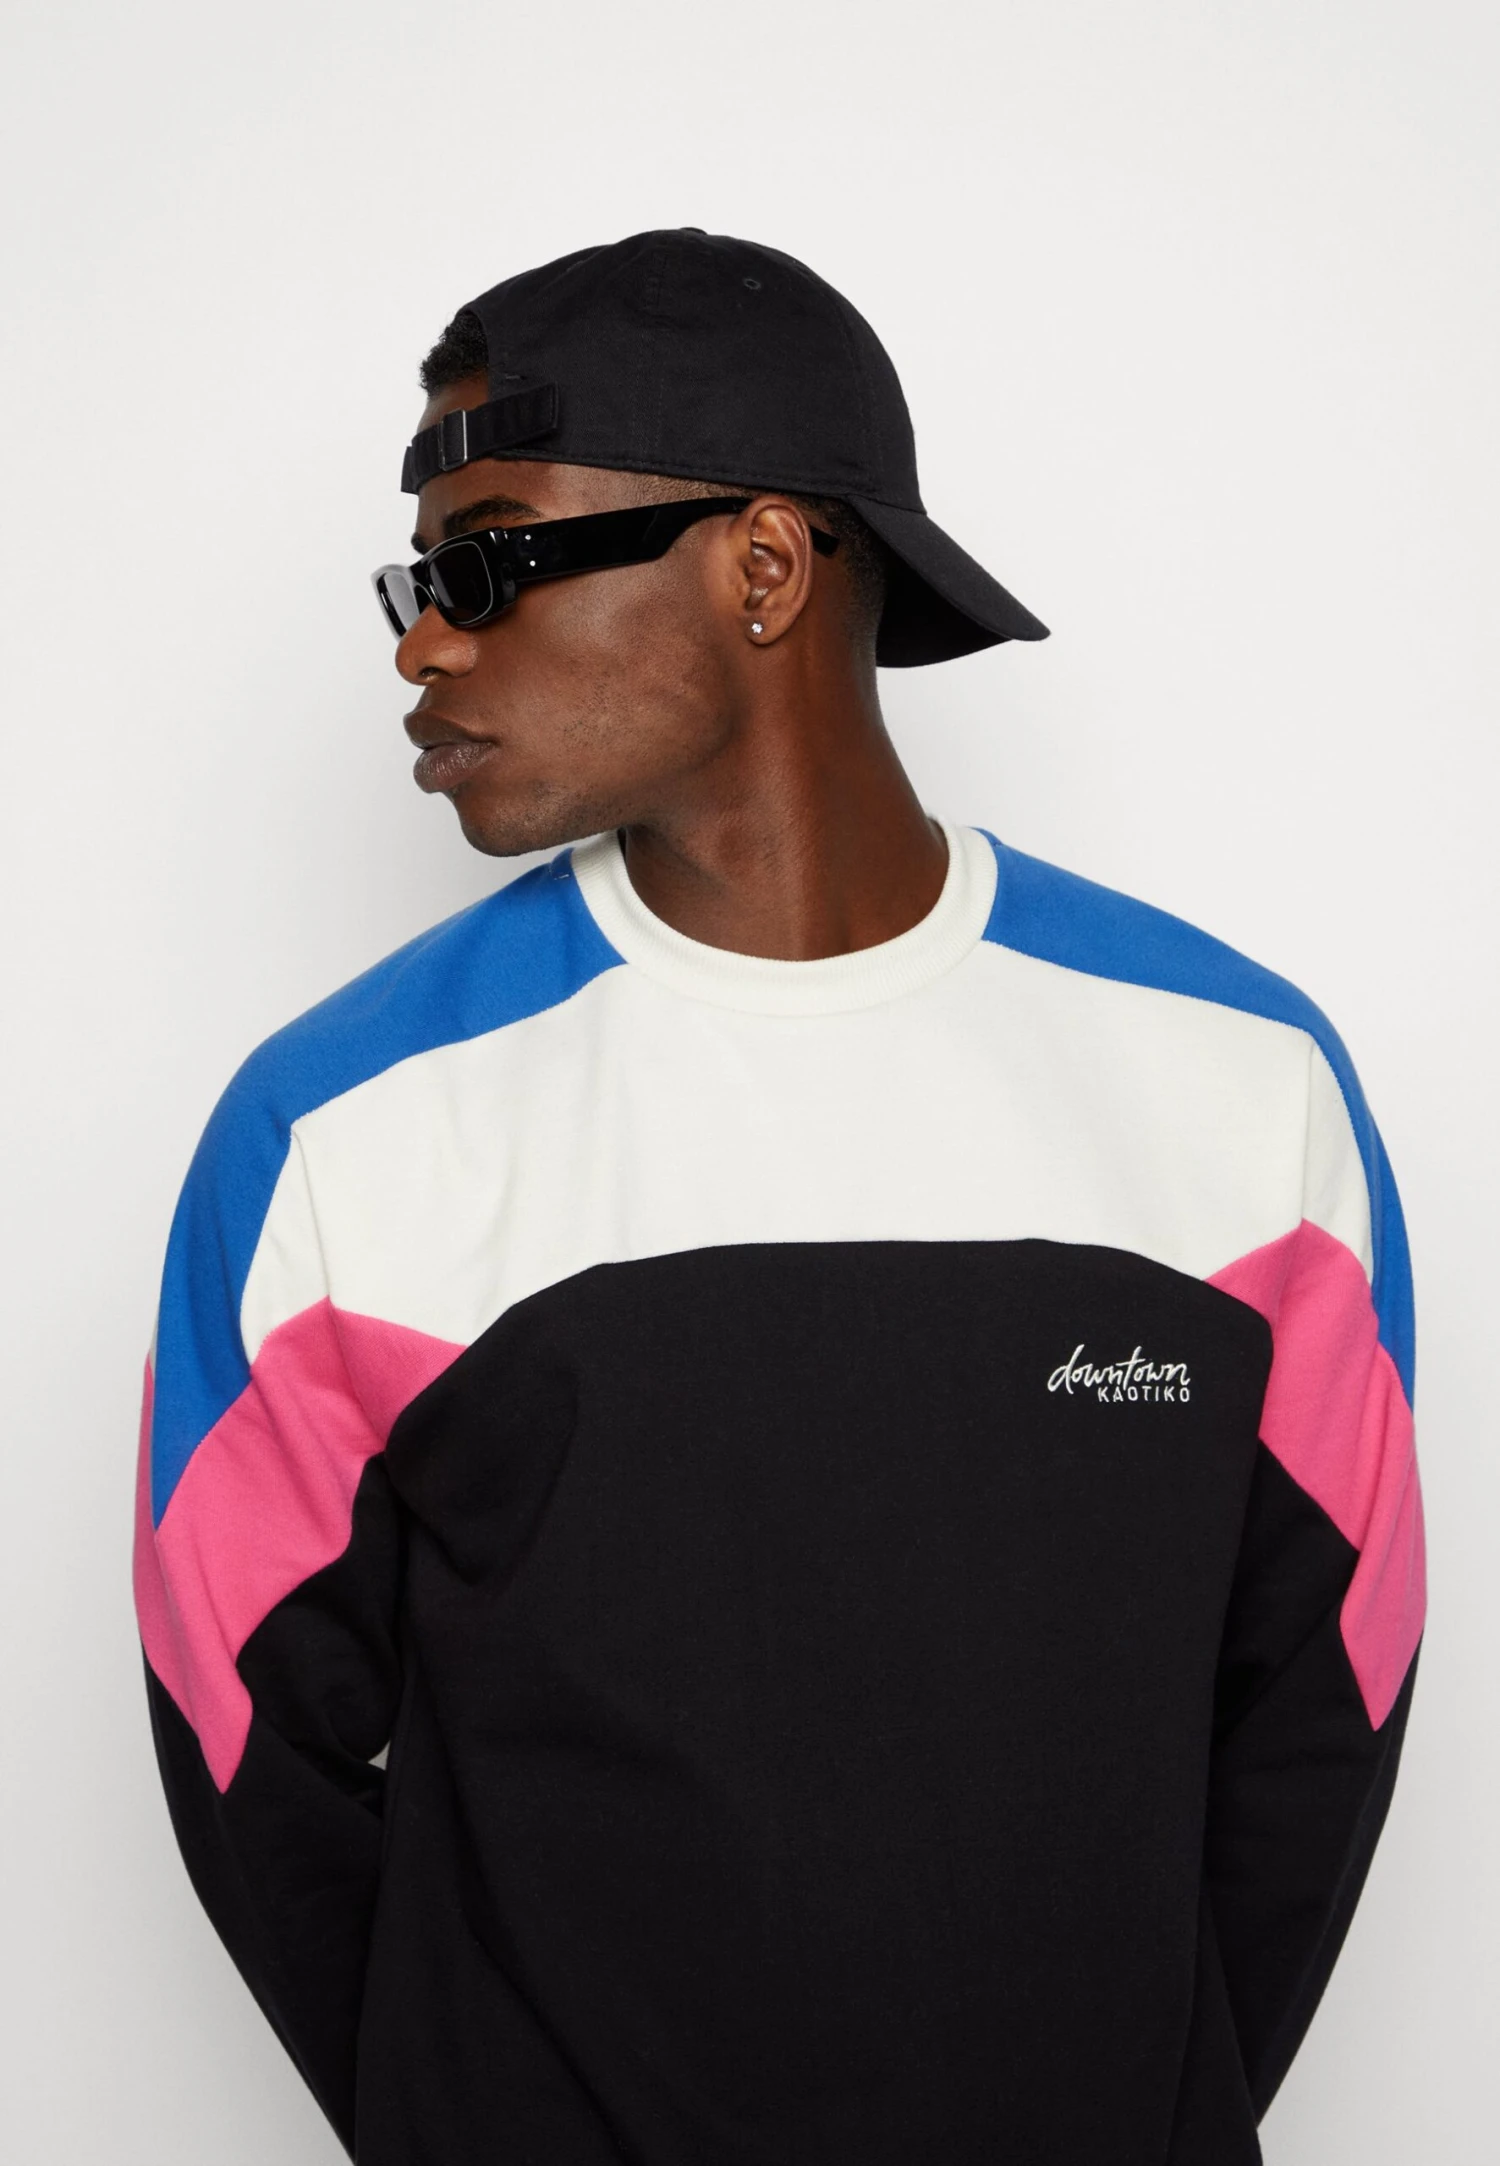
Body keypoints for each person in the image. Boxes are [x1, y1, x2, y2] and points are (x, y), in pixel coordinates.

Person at [134, 228, 1425, 2166]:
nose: (419, 645)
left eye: (484, 563)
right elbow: (242, 1735)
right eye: (413, 584)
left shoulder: (1243, 1096)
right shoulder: (335, 1133)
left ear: (762, 568)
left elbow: (1330, 1695)